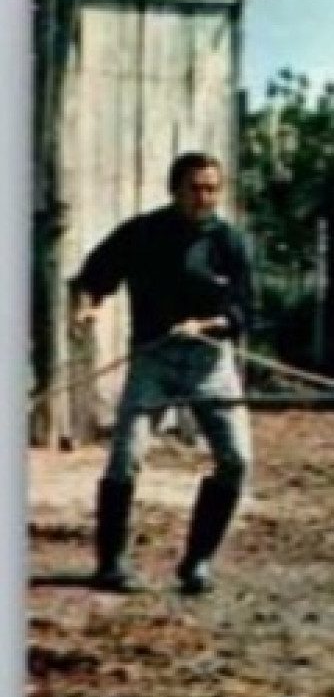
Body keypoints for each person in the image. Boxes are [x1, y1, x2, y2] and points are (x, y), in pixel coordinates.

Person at [69, 152, 255, 595]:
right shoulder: (143, 233)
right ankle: (110, 562)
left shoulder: (230, 243)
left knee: (236, 460)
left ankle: (198, 562)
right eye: (195, 188)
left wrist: (207, 325)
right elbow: (94, 277)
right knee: (125, 458)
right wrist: (87, 308)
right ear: (175, 190)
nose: (203, 198)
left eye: (211, 189)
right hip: (153, 359)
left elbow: (246, 312)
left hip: (210, 362)